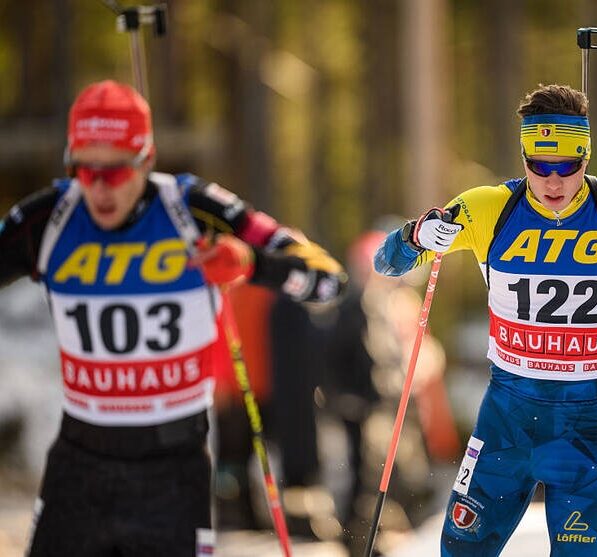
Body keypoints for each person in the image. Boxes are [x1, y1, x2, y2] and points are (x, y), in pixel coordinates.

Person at [373, 83, 597, 556]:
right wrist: (414, 235)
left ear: (586, 157)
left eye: (567, 167)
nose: (552, 182)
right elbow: (387, 265)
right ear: (523, 155)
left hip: (586, 423)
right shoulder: (489, 208)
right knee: (462, 551)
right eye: (538, 166)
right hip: (506, 420)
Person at [0, 79, 346, 557]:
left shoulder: (191, 209)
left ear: (146, 159)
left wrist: (250, 263)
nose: (99, 188)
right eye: (85, 169)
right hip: (80, 463)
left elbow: (327, 279)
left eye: (116, 171)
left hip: (172, 468)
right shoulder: (50, 218)